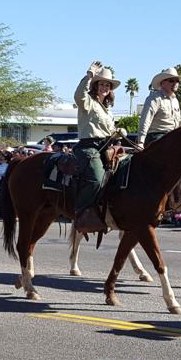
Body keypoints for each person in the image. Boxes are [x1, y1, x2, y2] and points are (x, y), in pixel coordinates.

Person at [74, 61, 121, 234]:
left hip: (107, 146)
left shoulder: (107, 109)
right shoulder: (88, 102)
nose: (105, 87)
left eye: (107, 84)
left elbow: (108, 130)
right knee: (97, 178)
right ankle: (80, 212)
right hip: (88, 147)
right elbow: (78, 95)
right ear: (95, 85)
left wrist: (118, 133)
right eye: (101, 83)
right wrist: (89, 75)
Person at [137, 67, 181, 148]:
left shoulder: (175, 101)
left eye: (177, 81)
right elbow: (145, 120)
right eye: (171, 80)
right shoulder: (154, 98)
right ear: (162, 83)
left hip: (173, 137)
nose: (175, 83)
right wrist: (141, 142)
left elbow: (176, 124)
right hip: (156, 137)